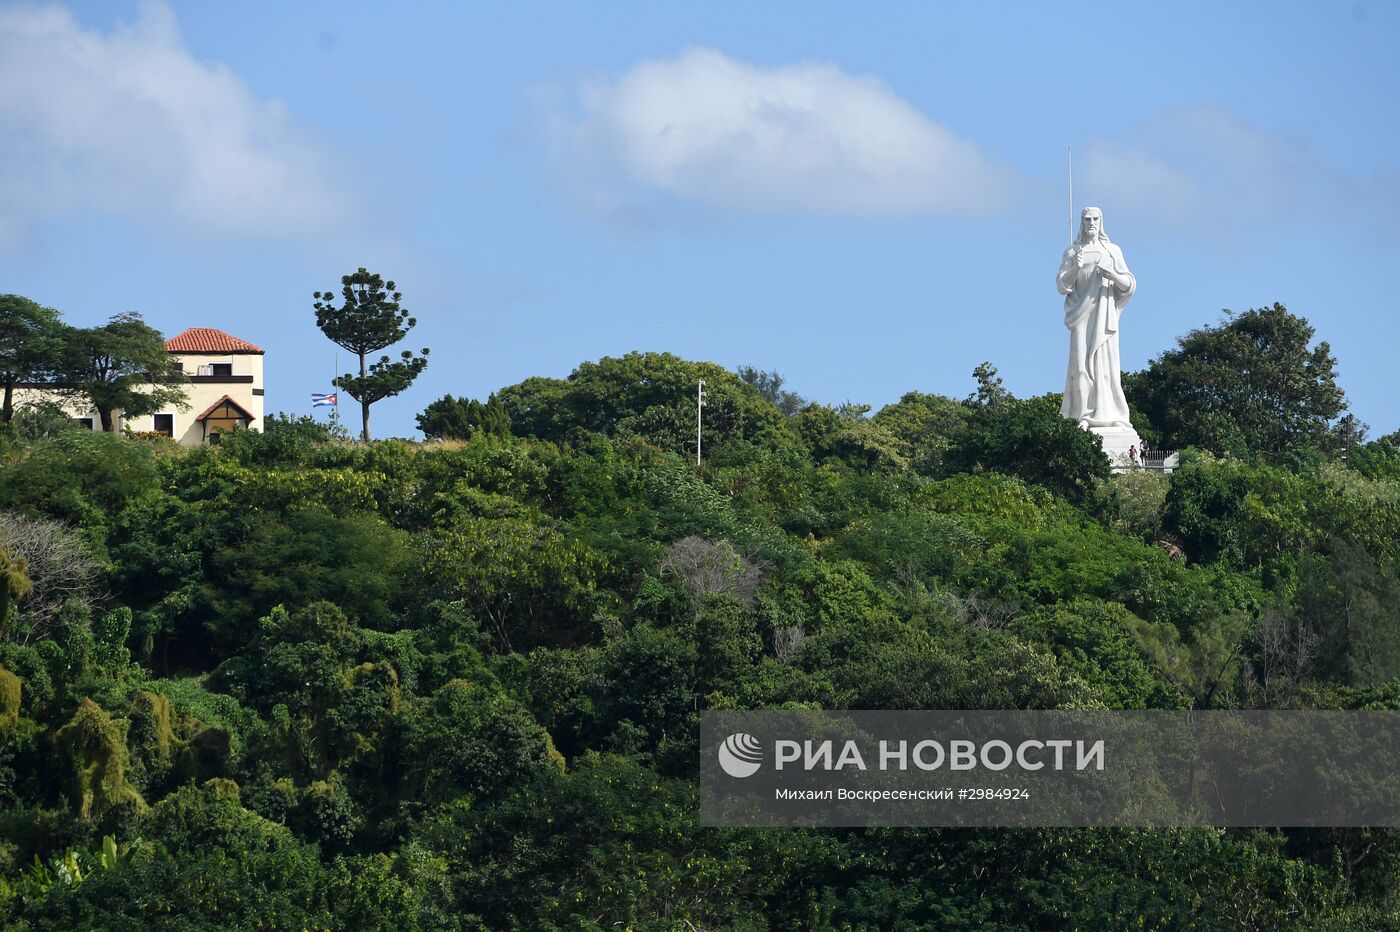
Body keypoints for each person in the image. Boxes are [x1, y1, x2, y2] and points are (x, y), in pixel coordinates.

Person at [1057, 207, 1135, 429]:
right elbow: (1062, 285)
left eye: (1095, 219)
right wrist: (1076, 267)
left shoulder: (1112, 251)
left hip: (1105, 314)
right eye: (1087, 219)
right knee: (1080, 364)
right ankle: (1082, 414)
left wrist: (1113, 275)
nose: (1091, 222)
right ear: (1081, 222)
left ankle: (1110, 414)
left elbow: (1129, 284)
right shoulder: (1072, 252)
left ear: (1101, 222)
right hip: (1080, 316)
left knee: (1106, 364)